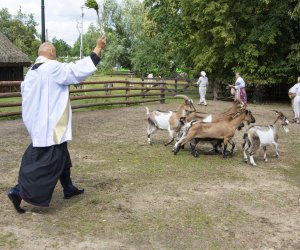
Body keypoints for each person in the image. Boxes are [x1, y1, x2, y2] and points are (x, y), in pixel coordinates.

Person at [7, 35, 106, 213]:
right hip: (51, 126)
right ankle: (18, 191)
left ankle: (68, 187)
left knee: (61, 153)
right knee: (49, 161)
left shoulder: (31, 72)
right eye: (56, 53)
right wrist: (98, 48)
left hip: (39, 125)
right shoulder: (51, 68)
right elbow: (76, 70)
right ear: (51, 53)